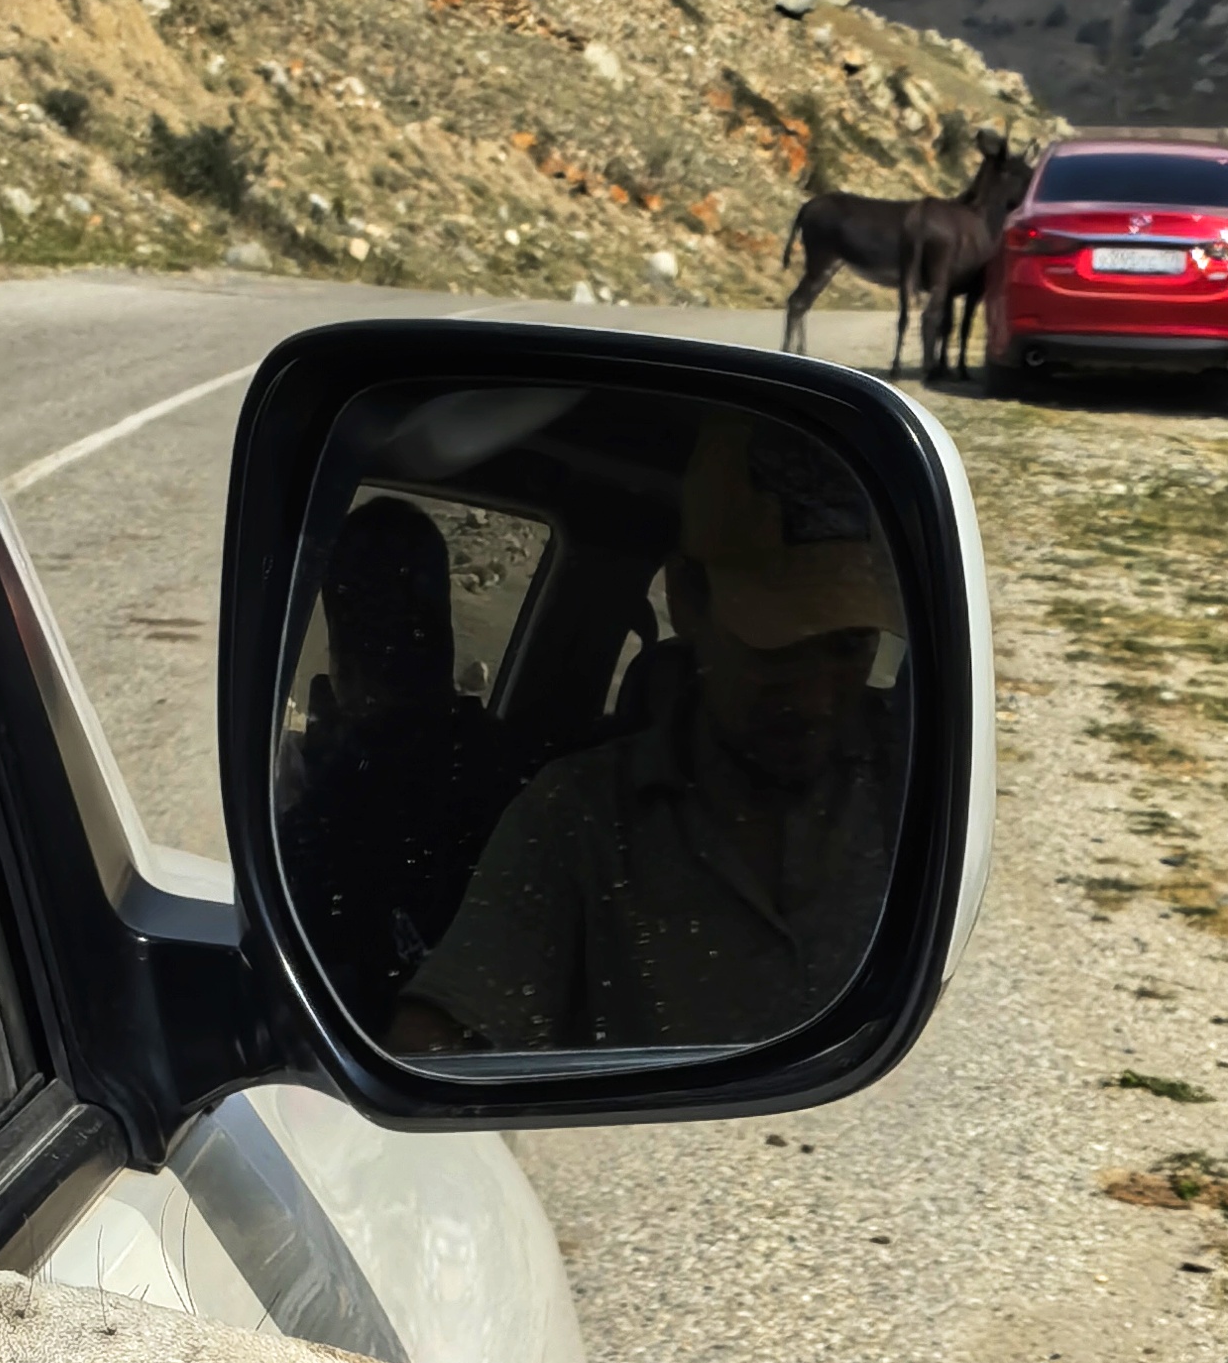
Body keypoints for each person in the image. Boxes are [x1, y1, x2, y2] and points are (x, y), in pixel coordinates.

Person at [389, 414, 901, 1059]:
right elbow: (441, 1044)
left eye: (850, 647)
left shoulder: (918, 769)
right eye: (778, 649)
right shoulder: (579, 817)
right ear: (686, 597)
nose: (819, 699)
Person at [273, 491, 505, 1026]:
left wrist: (291, 810)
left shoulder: (339, 808)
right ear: (443, 631)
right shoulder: (509, 767)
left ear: (345, 656)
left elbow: (307, 934)